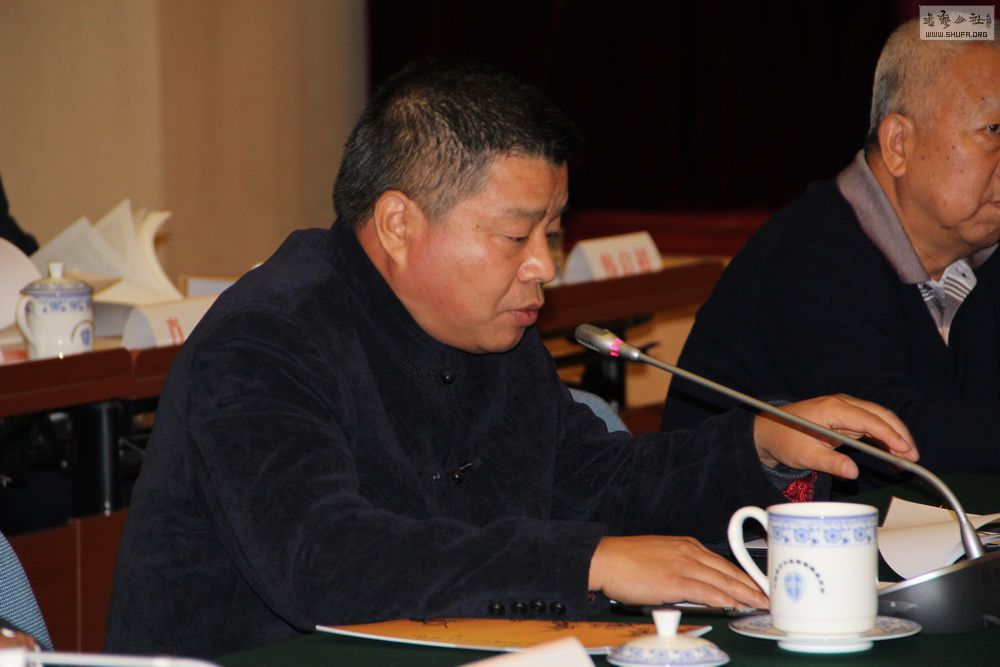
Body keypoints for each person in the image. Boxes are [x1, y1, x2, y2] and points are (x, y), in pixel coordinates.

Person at [105, 60, 916, 657]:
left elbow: (593, 477)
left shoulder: (488, 329)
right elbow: (323, 557)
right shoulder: (267, 338)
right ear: (398, 223)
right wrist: (586, 560)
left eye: (552, 232)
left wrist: (760, 446)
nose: (543, 267)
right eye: (516, 234)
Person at [661, 20, 1000, 493]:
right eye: (993, 129)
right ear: (899, 144)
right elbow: (896, 440)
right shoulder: (810, 257)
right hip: (739, 531)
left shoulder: (979, 249)